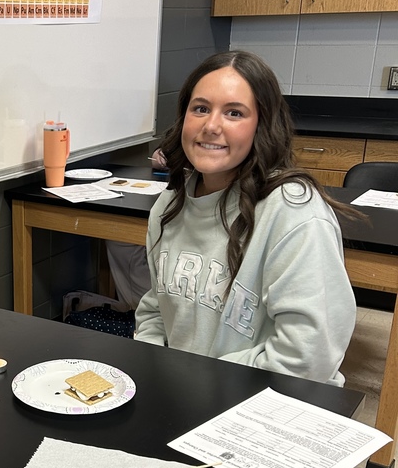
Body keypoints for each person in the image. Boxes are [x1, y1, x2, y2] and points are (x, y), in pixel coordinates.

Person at [134, 50, 357, 386]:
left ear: (262, 126)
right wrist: (153, 373)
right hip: (186, 395)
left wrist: (199, 381)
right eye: (201, 108)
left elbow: (308, 358)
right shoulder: (168, 206)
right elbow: (156, 309)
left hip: (270, 402)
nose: (211, 126)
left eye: (234, 113)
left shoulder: (295, 213)